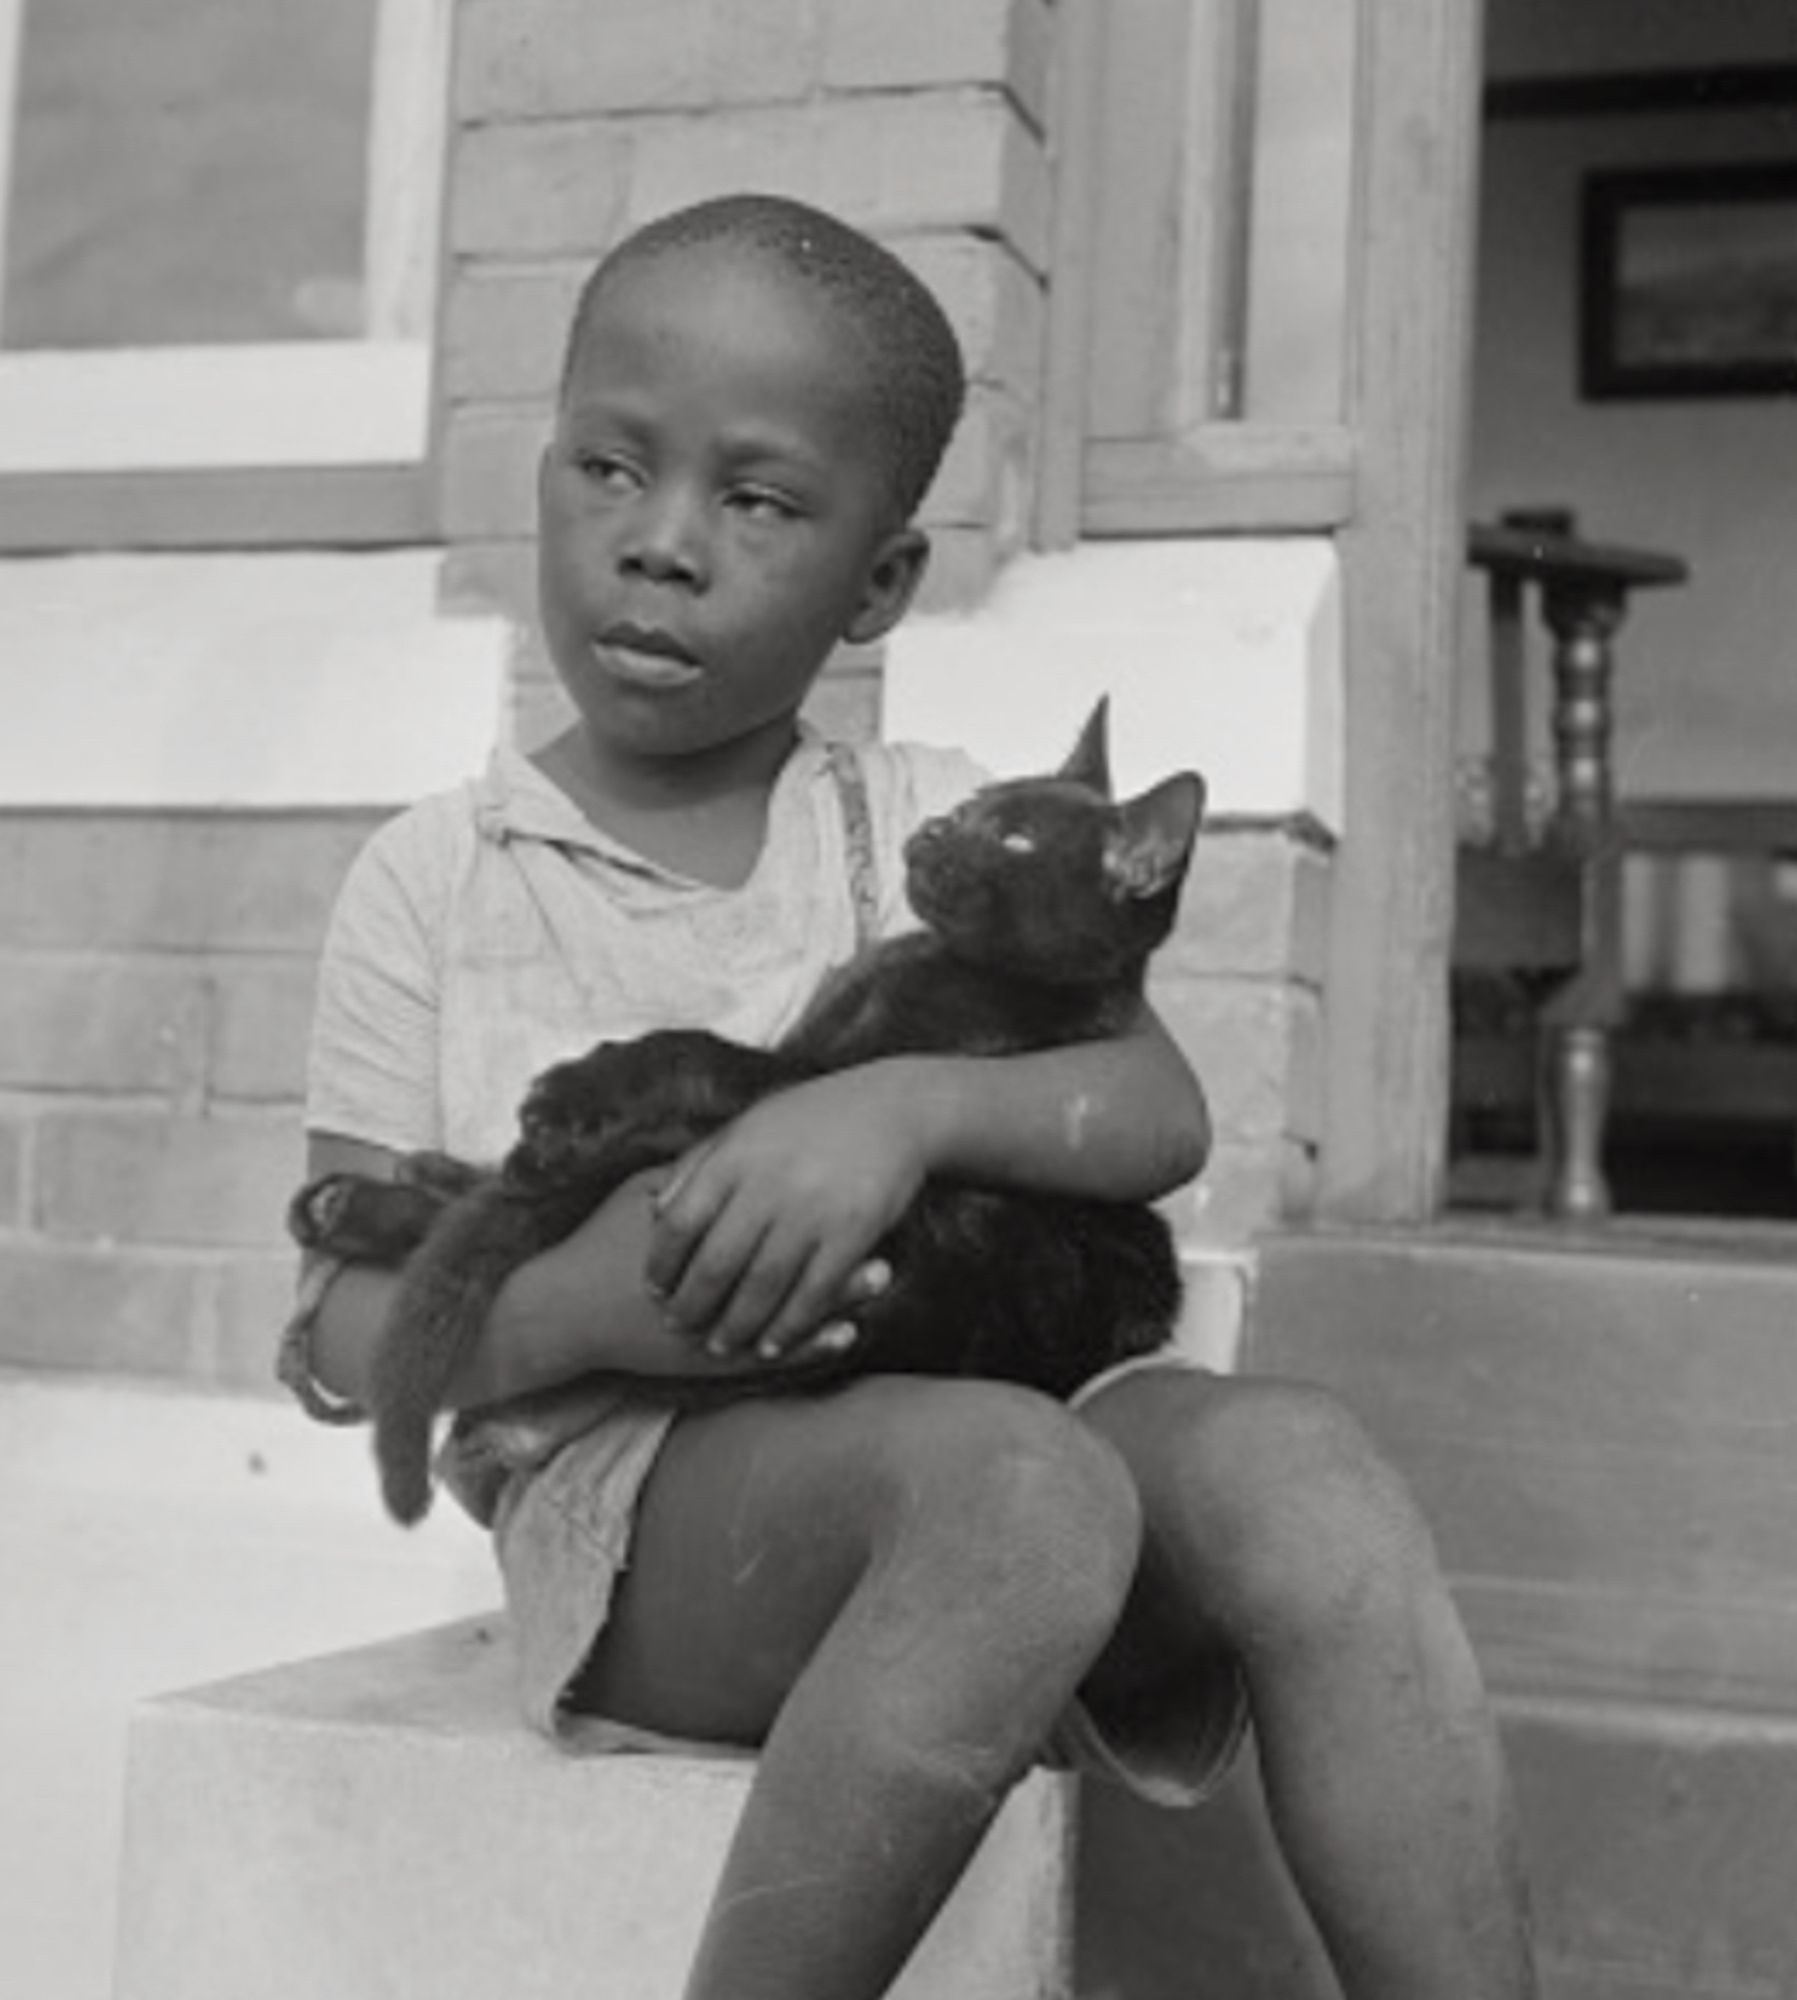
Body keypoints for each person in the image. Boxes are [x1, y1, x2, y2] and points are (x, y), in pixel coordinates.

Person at [282, 193, 1537, 2000]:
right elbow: (335, 1330)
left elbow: (1153, 1112)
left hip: (986, 1410)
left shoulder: (920, 837)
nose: (661, 547)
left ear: (877, 583)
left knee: (1297, 1468)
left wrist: (896, 1116)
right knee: (1016, 1490)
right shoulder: (441, 877)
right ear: (544, 473)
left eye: (759, 500)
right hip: (637, 1509)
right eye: (611, 471)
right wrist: (602, 1303)